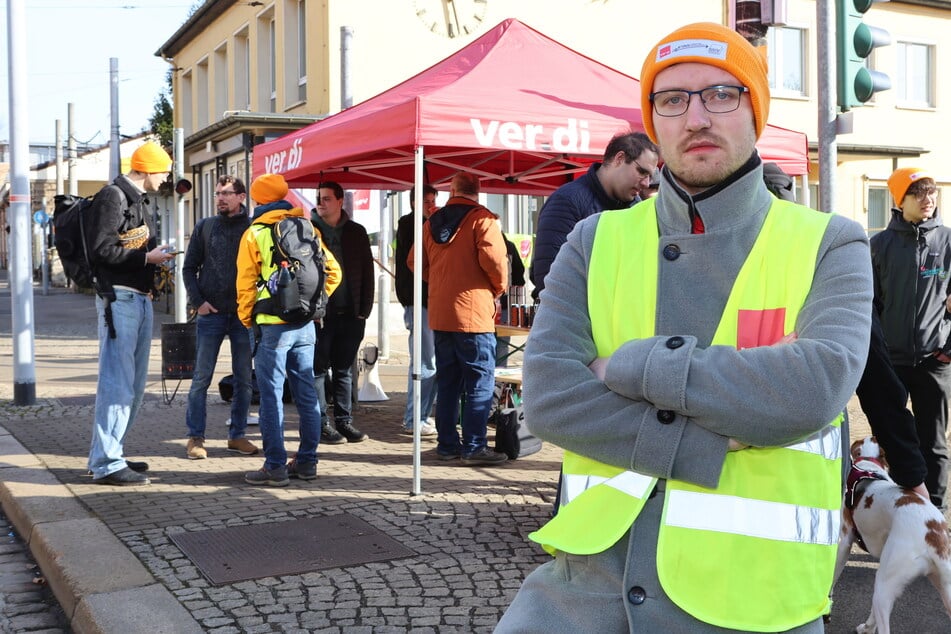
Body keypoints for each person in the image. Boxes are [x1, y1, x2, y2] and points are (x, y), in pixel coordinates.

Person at [497, 22, 872, 632]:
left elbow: (813, 387)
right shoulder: (596, 239)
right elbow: (551, 400)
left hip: (752, 601)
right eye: (672, 100)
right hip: (584, 595)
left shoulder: (829, 242)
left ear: (756, 111)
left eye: (721, 94)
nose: (696, 117)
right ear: (653, 121)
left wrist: (627, 366)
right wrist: (709, 437)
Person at [236, 173, 341, 486]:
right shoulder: (306, 227)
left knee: (270, 397)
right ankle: (307, 463)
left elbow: (245, 284)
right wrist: (313, 305)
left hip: (272, 328)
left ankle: (275, 466)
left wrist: (246, 318)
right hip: (305, 325)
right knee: (307, 396)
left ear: (258, 200)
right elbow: (332, 272)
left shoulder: (255, 233)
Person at [85, 141, 177, 486]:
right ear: (148, 169)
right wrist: (146, 260)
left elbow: (130, 245)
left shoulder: (138, 200)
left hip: (138, 298)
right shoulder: (113, 197)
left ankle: (109, 453)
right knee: (117, 383)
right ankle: (108, 462)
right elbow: (101, 250)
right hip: (119, 300)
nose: (167, 177)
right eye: (164, 171)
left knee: (133, 385)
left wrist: (154, 258)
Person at [411, 171, 509, 465]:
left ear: (451, 190)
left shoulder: (431, 222)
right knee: (480, 380)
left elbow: (415, 262)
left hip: (441, 313)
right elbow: (495, 263)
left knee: (449, 381)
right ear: (478, 191)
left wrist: (441, 281)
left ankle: (447, 444)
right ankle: (475, 446)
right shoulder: (483, 219)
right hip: (474, 313)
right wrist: (497, 289)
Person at [871, 167, 951, 510]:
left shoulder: (948, 242)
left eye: (931, 192)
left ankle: (934, 520)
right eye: (918, 193)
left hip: (935, 361)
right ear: (899, 199)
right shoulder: (878, 246)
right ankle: (893, 512)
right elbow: (870, 306)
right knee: (888, 441)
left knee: (933, 445)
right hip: (890, 363)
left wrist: (948, 350)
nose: (928, 199)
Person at [529, 131, 659, 301]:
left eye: (650, 176)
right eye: (642, 172)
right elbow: (548, 278)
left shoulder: (635, 209)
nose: (646, 183)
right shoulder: (568, 200)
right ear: (619, 159)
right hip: (577, 322)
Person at [181, 175, 258, 460]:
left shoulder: (253, 227)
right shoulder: (205, 227)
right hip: (210, 314)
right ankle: (195, 438)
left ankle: (237, 435)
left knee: (244, 379)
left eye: (226, 193)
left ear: (241, 196)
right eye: (217, 193)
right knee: (201, 378)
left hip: (243, 315)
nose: (220, 198)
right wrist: (198, 302)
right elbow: (189, 269)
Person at [311, 181, 375, 444]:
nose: (321, 202)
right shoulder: (308, 231)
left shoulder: (356, 232)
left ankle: (344, 421)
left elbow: (368, 273)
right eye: (319, 198)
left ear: (340, 201)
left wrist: (364, 310)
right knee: (317, 369)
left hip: (351, 313)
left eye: (326, 198)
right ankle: (320, 423)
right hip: (320, 314)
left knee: (344, 370)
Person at [395, 184, 438, 437]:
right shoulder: (411, 225)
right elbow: (414, 264)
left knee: (432, 362)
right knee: (424, 362)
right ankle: (414, 417)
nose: (430, 205)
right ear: (413, 203)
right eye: (426, 201)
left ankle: (421, 416)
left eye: (433, 200)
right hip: (418, 300)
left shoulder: (429, 223)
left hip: (430, 300)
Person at [495, 232, 526, 367]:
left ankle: (496, 376)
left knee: (485, 342)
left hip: (488, 302)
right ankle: (500, 379)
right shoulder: (509, 246)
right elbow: (520, 275)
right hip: (506, 302)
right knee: (503, 342)